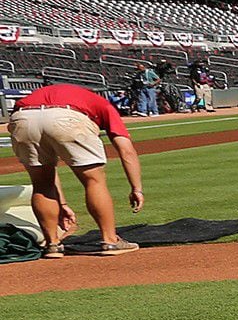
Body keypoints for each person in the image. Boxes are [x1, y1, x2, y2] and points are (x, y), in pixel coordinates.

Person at [6, 81, 146, 257]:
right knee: (94, 180)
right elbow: (126, 150)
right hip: (69, 116)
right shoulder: (100, 102)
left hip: (23, 116)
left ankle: (53, 245)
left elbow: (48, 164)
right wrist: (136, 189)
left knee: (41, 183)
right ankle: (110, 241)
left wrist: (62, 203)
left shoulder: (41, 93)